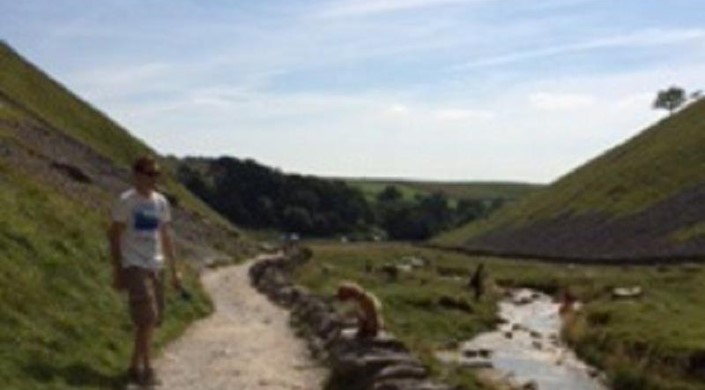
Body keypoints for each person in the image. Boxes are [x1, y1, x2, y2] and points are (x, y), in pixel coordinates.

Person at [108, 156, 182, 386]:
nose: (154, 179)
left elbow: (165, 235)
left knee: (151, 320)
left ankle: (133, 367)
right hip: (134, 264)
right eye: (150, 174)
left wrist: (175, 269)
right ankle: (148, 369)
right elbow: (113, 235)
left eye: (156, 174)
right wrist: (119, 270)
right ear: (137, 175)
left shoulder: (160, 202)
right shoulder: (126, 201)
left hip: (155, 265)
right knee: (147, 317)